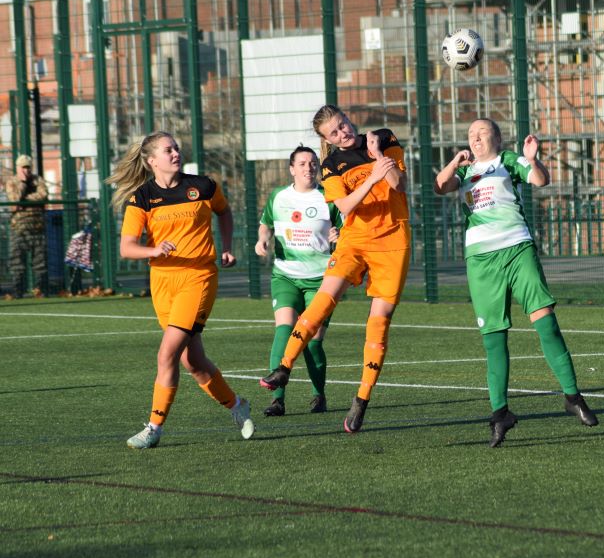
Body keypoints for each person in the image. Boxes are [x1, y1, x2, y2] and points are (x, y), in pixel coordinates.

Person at [434, 118, 598, 448]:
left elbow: (539, 180)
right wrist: (455, 161)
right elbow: (440, 186)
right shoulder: (465, 171)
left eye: (481, 133)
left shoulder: (508, 161)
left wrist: (533, 158)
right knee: (493, 340)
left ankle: (572, 396)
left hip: (517, 249)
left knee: (546, 323)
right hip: (481, 262)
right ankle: (500, 414)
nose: (475, 138)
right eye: (470, 134)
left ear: (496, 137)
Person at [259, 105, 410, 434]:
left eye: (343, 125)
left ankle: (362, 399)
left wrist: (376, 154)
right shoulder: (331, 165)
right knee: (323, 300)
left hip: (392, 242)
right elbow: (344, 206)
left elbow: (400, 185)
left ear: (347, 119)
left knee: (379, 321)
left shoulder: (383, 137)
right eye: (334, 133)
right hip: (354, 241)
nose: (343, 133)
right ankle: (284, 367)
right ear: (326, 139)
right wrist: (372, 173)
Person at [107, 131, 255, 448]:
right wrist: (154, 251)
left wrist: (227, 246)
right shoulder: (142, 197)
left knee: (166, 354)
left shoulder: (202, 186)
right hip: (162, 282)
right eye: (168, 150)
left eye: (176, 148)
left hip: (198, 277)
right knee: (193, 362)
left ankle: (154, 427)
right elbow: (127, 248)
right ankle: (237, 405)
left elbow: (224, 211)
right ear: (151, 161)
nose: (176, 153)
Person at [255, 145, 341, 417]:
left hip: (321, 280)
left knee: (313, 342)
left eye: (313, 163)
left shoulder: (329, 196)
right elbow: (266, 223)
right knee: (284, 330)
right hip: (285, 276)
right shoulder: (279, 196)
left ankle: (319, 396)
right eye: (302, 163)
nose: (308, 167)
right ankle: (277, 400)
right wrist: (262, 239)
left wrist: (339, 236)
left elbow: (347, 228)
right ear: (292, 169)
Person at [5, 155, 48, 298]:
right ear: (17, 168)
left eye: (28, 167)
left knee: (40, 263)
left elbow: (43, 195)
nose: (26, 170)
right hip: (19, 228)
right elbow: (14, 199)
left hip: (37, 227)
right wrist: (23, 184)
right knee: (17, 262)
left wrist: (26, 200)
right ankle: (18, 292)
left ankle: (41, 290)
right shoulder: (12, 182)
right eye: (23, 167)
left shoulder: (38, 180)